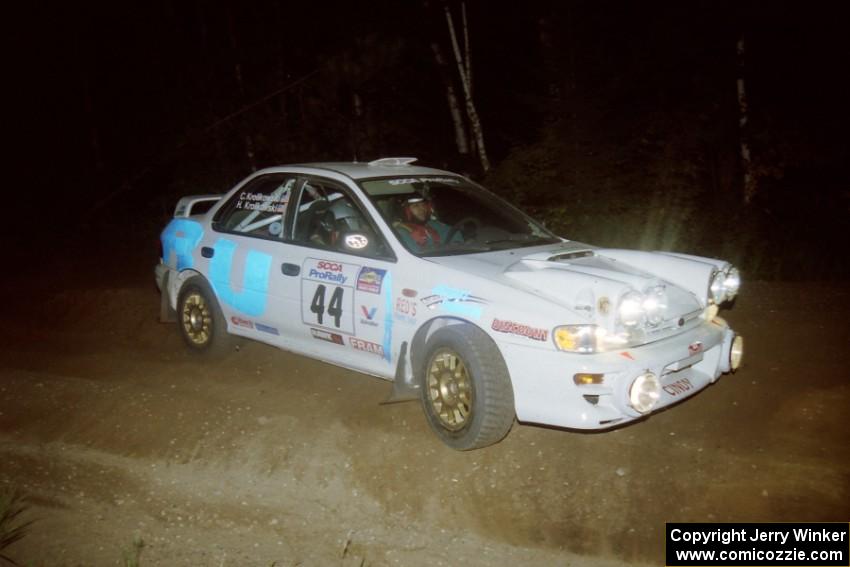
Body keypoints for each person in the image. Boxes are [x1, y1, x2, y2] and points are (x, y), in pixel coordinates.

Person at [394, 194, 459, 252]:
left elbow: (455, 235)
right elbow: (417, 256)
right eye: (416, 206)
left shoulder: (434, 225)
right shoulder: (401, 232)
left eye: (423, 205)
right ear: (406, 211)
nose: (422, 209)